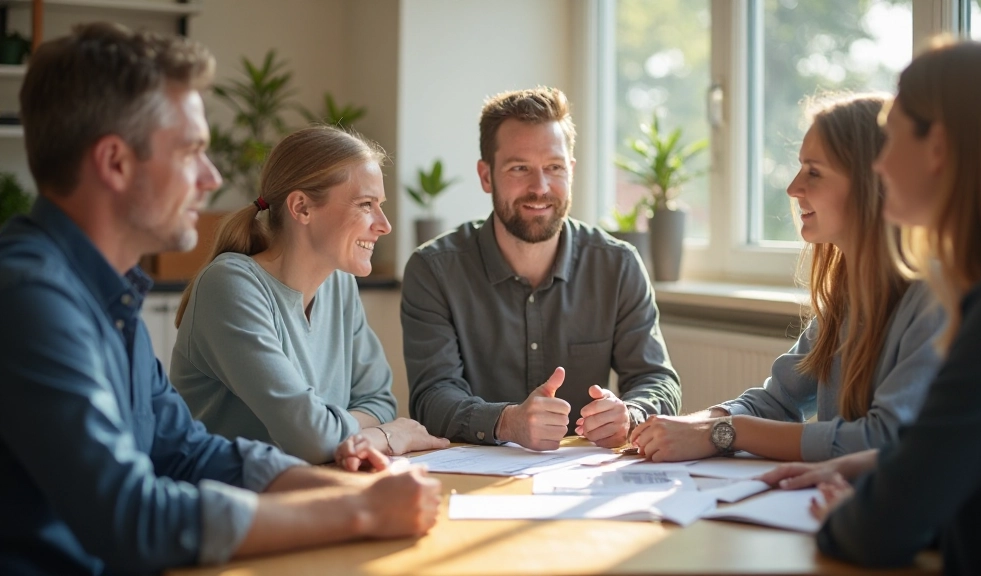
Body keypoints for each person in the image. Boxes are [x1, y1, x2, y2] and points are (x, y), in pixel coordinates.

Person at [0, 23, 439, 575]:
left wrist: (343, 483)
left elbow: (189, 451)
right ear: (114, 163)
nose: (211, 178)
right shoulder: (29, 300)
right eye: (191, 152)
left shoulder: (108, 296)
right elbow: (131, 516)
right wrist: (354, 511)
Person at [795, 39, 981, 574]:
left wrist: (861, 506)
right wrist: (881, 465)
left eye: (891, 137)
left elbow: (876, 534)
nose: (880, 165)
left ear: (938, 147)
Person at [630, 94, 945, 463]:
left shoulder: (934, 297)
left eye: (814, 171)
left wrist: (724, 433)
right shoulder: (846, 298)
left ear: (872, 182)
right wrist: (686, 427)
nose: (793, 188)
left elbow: (882, 438)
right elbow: (776, 400)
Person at [402, 86, 680, 451]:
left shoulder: (618, 264)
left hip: (581, 475)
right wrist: (506, 422)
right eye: (520, 168)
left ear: (571, 171)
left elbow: (657, 380)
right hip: (472, 477)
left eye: (554, 167)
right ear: (486, 176)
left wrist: (630, 414)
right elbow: (431, 397)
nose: (540, 187)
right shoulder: (433, 270)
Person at [170, 125, 449, 464]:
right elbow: (311, 438)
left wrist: (344, 435)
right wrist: (385, 436)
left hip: (313, 492)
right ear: (301, 207)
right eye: (366, 204)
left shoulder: (339, 284)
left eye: (380, 205)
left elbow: (379, 400)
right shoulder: (229, 286)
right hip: (231, 506)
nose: (384, 224)